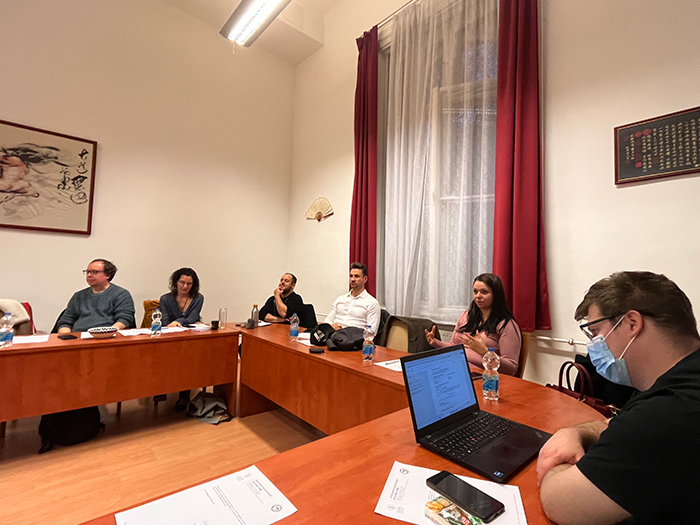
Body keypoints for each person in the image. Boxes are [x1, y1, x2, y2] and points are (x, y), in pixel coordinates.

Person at [537, 271, 700, 524]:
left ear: (632, 323)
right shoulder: (682, 377)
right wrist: (575, 432)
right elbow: (619, 423)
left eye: (596, 332)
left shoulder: (667, 413)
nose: (594, 345)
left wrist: (554, 459)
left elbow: (559, 502)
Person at [424, 273, 522, 376]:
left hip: (483, 376)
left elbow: (511, 369)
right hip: (457, 369)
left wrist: (484, 352)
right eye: (475, 291)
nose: (478, 296)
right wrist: (435, 343)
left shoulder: (506, 325)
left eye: (484, 292)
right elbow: (454, 347)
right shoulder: (466, 316)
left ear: (496, 295)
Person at [158, 268, 204, 411]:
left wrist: (178, 321)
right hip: (169, 337)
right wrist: (180, 322)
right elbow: (165, 321)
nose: (185, 286)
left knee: (187, 359)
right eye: (182, 282)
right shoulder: (165, 299)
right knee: (162, 356)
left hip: (189, 337)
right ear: (176, 282)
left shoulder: (198, 298)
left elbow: (193, 317)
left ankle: (184, 394)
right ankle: (160, 389)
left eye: (189, 284)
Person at [57, 259, 135, 333]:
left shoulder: (120, 294)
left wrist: (109, 332)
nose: (89, 275)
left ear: (108, 275)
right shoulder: (78, 296)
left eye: (94, 272)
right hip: (79, 336)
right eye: (87, 272)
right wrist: (66, 336)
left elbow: (124, 319)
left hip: (108, 336)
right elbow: (65, 321)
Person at [325, 262, 380, 332]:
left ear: (365, 279)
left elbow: (371, 331)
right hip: (334, 334)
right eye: (351, 276)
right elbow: (327, 320)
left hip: (354, 336)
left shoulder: (372, 303)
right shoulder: (340, 299)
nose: (353, 279)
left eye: (356, 276)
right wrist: (331, 326)